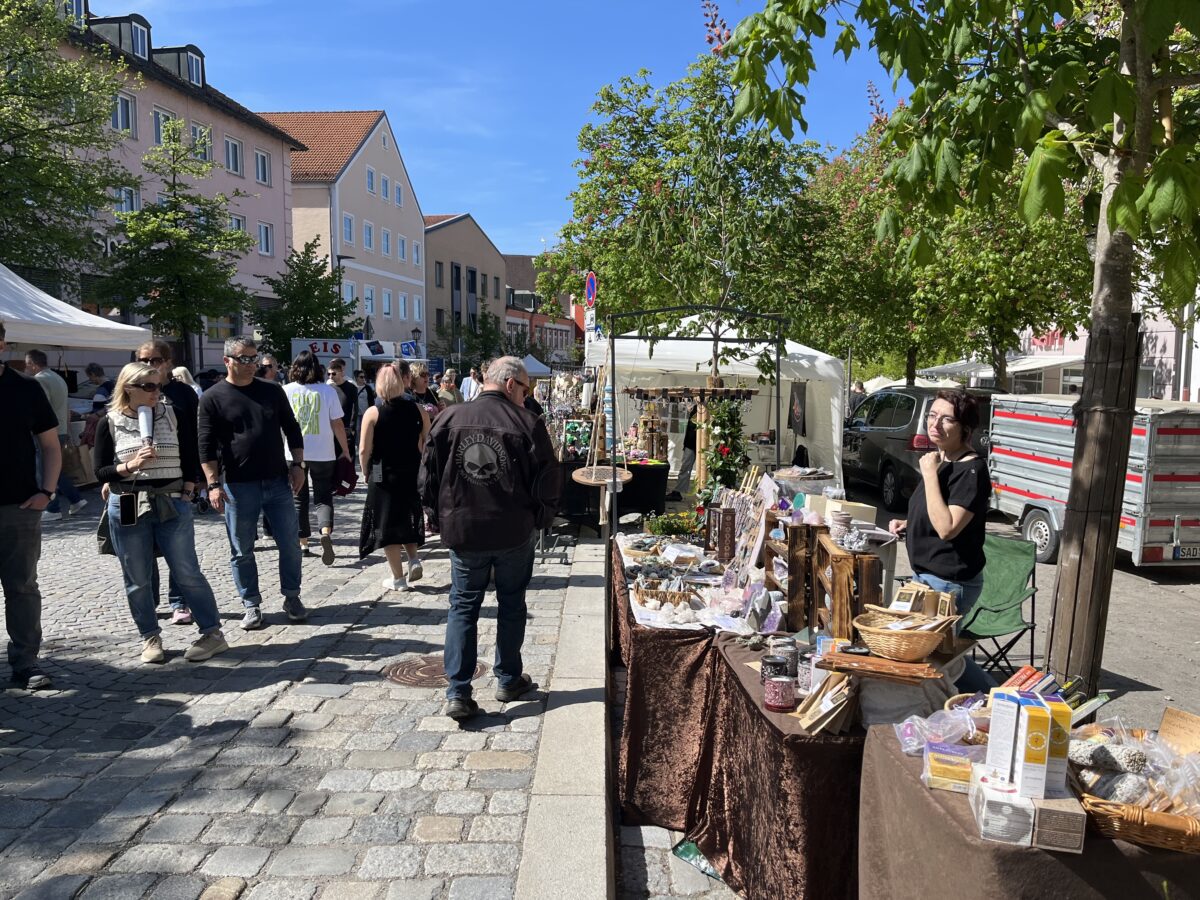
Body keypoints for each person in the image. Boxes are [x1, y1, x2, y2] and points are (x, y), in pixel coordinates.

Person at [421, 356, 561, 720]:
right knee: (511, 603)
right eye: (526, 388)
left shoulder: (449, 418)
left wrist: (437, 517)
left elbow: (428, 477)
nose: (526, 395)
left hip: (465, 528)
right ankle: (508, 677)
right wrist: (541, 519)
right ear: (511, 383)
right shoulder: (527, 423)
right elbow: (548, 478)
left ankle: (458, 691)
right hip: (512, 529)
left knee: (463, 606)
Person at [94, 362, 229, 664]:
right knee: (138, 577)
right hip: (128, 503)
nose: (156, 392)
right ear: (128, 388)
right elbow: (100, 470)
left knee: (186, 571)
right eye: (149, 386)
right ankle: (150, 637)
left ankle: (212, 633)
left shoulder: (173, 414)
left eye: (158, 385)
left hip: (172, 501)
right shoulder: (110, 422)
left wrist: (190, 487)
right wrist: (130, 466)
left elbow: (192, 453)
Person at [888, 389, 993, 693]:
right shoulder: (944, 459)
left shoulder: (970, 470)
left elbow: (948, 528)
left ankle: (993, 700)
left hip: (949, 581)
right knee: (939, 652)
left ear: (966, 428)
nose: (936, 424)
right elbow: (938, 512)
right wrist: (911, 524)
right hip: (929, 576)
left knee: (937, 656)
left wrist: (930, 474)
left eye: (947, 419)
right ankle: (994, 698)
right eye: (932, 415)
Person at [198, 336, 308, 630]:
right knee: (242, 549)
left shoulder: (272, 391)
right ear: (227, 361)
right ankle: (251, 604)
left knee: (290, 544)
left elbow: (292, 428)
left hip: (277, 481)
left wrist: (298, 465)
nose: (250, 364)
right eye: (243, 358)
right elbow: (205, 446)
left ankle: (292, 597)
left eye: (254, 358)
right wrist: (212, 484)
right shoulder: (212, 397)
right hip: (238, 485)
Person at [1, 323, 60, 690]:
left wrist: (47, 492)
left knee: (22, 588)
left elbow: (51, 446)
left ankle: (25, 663)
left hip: (18, 505)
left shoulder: (25, 387)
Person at [137, 340, 202, 626]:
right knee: (142, 548)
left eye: (155, 359)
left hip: (175, 478)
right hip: (138, 480)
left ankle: (179, 602)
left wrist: (195, 479)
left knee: (178, 547)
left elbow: (194, 437)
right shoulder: (131, 390)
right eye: (143, 359)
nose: (150, 364)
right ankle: (149, 604)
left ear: (167, 361)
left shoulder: (183, 393)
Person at [359, 361, 429, 591]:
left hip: (384, 475)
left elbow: (363, 450)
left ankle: (398, 579)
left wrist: (366, 471)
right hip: (411, 471)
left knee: (387, 525)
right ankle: (414, 558)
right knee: (409, 515)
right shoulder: (418, 410)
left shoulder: (373, 413)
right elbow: (427, 441)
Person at [284, 351, 352, 566]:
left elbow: (279, 426)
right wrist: (346, 450)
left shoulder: (286, 391)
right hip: (324, 452)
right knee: (323, 496)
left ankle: (303, 542)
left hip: (294, 454)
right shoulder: (328, 391)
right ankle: (325, 531)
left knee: (298, 497)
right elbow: (337, 424)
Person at [24, 349, 87, 522]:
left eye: (27, 364)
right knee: (55, 469)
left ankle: (53, 508)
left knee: (45, 470)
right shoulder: (58, 378)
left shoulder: (40, 380)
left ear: (33, 364)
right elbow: (65, 406)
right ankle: (76, 499)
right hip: (59, 429)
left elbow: (40, 409)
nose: (26, 368)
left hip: (47, 431)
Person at [665, 404, 697, 501]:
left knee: (687, 468)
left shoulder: (702, 409)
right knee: (685, 468)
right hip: (690, 444)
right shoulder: (695, 409)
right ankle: (678, 492)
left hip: (696, 444)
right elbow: (690, 429)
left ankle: (679, 492)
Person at [326, 358, 357, 445]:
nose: (330, 376)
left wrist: (351, 428)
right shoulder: (328, 387)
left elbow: (355, 409)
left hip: (346, 429)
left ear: (341, 372)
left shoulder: (351, 386)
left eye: (333, 374)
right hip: (331, 429)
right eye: (328, 374)